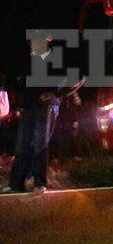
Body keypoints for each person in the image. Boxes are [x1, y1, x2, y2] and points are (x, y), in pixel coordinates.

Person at [1, 31, 65, 194]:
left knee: (40, 143)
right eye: (30, 42)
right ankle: (16, 183)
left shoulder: (56, 59)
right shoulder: (31, 61)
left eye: (34, 42)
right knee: (22, 144)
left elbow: (73, 80)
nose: (31, 45)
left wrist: (55, 95)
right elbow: (21, 81)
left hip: (46, 107)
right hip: (29, 106)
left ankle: (39, 183)